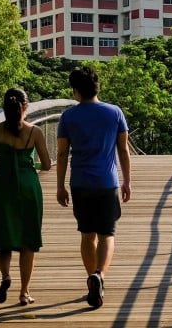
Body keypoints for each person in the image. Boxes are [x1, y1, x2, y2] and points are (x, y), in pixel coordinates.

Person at [56, 65, 131, 309]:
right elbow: (123, 149)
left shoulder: (68, 117)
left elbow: (62, 152)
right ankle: (100, 275)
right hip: (108, 183)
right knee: (107, 234)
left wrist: (60, 186)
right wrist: (127, 181)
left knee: (87, 235)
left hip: (80, 183)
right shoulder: (115, 113)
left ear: (76, 91)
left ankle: (91, 278)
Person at [0, 88, 52, 306]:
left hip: (2, 187)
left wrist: (4, 165)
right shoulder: (35, 132)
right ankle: (24, 292)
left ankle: (5, 277)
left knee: (3, 237)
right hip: (28, 188)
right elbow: (47, 164)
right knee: (27, 241)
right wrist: (29, 165)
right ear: (25, 107)